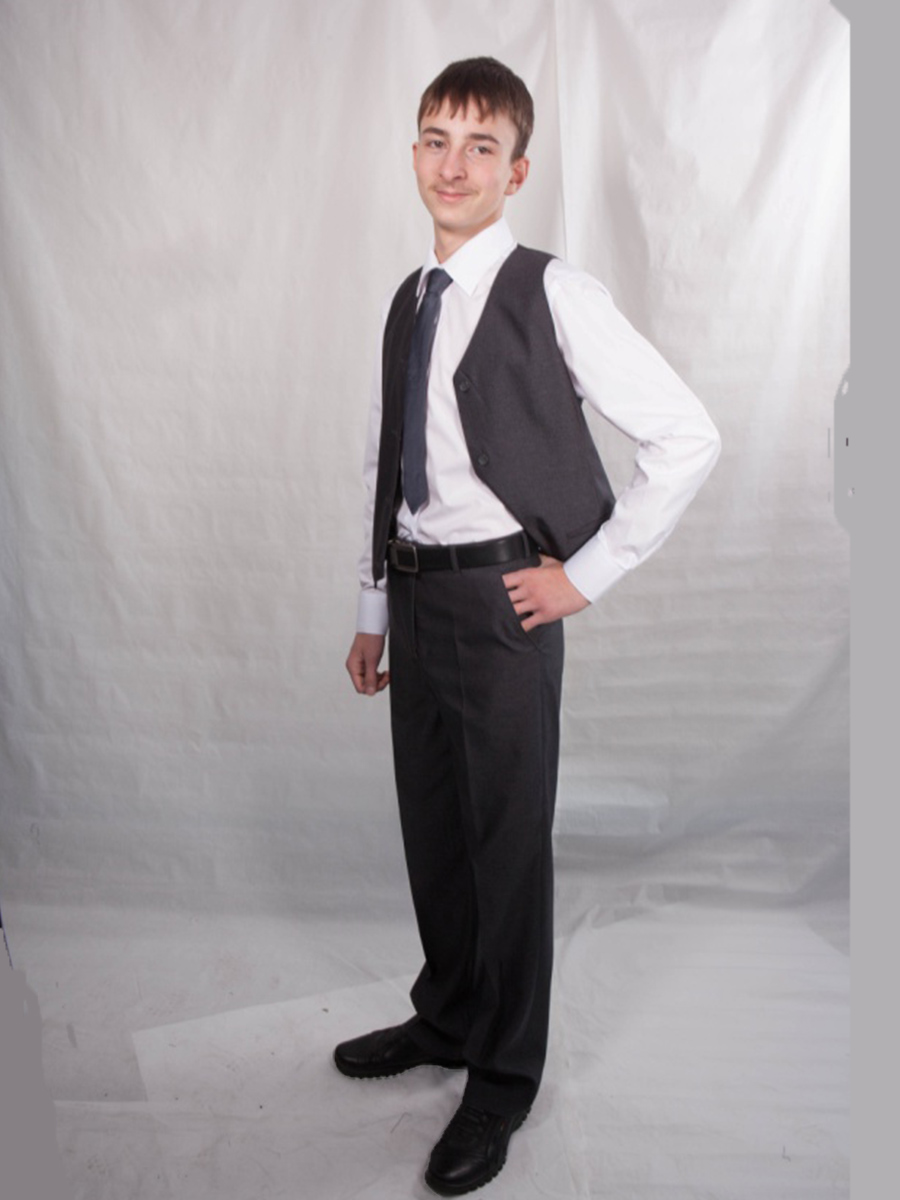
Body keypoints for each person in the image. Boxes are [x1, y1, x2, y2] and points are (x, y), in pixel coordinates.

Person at [336, 56, 721, 1196]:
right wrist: (372, 607)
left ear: (517, 170)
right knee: (436, 829)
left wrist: (583, 577)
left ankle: (502, 1081)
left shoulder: (552, 292)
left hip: (505, 606)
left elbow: (688, 436)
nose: (453, 165)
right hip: (417, 596)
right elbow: (384, 460)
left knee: (505, 843)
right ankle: (450, 1015)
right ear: (413, 155)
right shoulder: (408, 301)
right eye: (435, 140)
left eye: (480, 146)